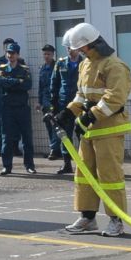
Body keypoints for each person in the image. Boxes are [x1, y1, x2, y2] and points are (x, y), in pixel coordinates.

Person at [56, 23, 131, 236]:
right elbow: (82, 95)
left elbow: (115, 98)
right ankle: (87, 217)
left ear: (93, 44)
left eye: (82, 49)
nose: (80, 52)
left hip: (109, 129)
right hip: (89, 130)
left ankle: (116, 219)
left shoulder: (115, 66)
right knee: (84, 175)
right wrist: (69, 112)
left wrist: (91, 115)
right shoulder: (85, 65)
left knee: (110, 176)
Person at [0, 39, 35, 175]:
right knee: (7, 138)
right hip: (7, 108)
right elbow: (2, 82)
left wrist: (13, 83)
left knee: (27, 137)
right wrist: (18, 81)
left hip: (22, 108)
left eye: (13, 53)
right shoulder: (2, 68)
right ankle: (6, 166)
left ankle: (29, 165)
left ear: (17, 55)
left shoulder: (24, 69)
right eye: (8, 53)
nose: (10, 55)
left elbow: (28, 85)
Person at [38, 44, 72, 176]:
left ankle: (54, 149)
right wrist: (40, 102)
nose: (46, 56)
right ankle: (55, 149)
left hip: (57, 103)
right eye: (44, 54)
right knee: (49, 126)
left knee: (57, 127)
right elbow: (41, 87)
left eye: (48, 54)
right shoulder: (43, 68)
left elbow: (57, 85)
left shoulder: (57, 65)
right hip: (46, 102)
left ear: (53, 55)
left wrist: (56, 103)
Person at [51, 42, 82, 175]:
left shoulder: (85, 63)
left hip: (80, 102)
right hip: (64, 102)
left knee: (82, 133)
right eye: (68, 48)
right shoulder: (61, 62)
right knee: (65, 134)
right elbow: (54, 82)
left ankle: (85, 163)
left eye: (73, 48)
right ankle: (67, 163)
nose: (70, 50)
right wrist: (54, 103)